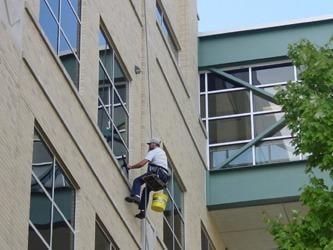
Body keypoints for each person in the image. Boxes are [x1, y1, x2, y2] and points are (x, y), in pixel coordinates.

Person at [125, 137, 169, 219]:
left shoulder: (154, 151)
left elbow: (142, 164)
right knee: (146, 190)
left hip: (157, 173)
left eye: (150, 144)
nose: (149, 146)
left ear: (154, 144)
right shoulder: (162, 153)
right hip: (164, 178)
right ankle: (142, 211)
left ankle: (136, 196)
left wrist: (131, 167)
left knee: (137, 181)